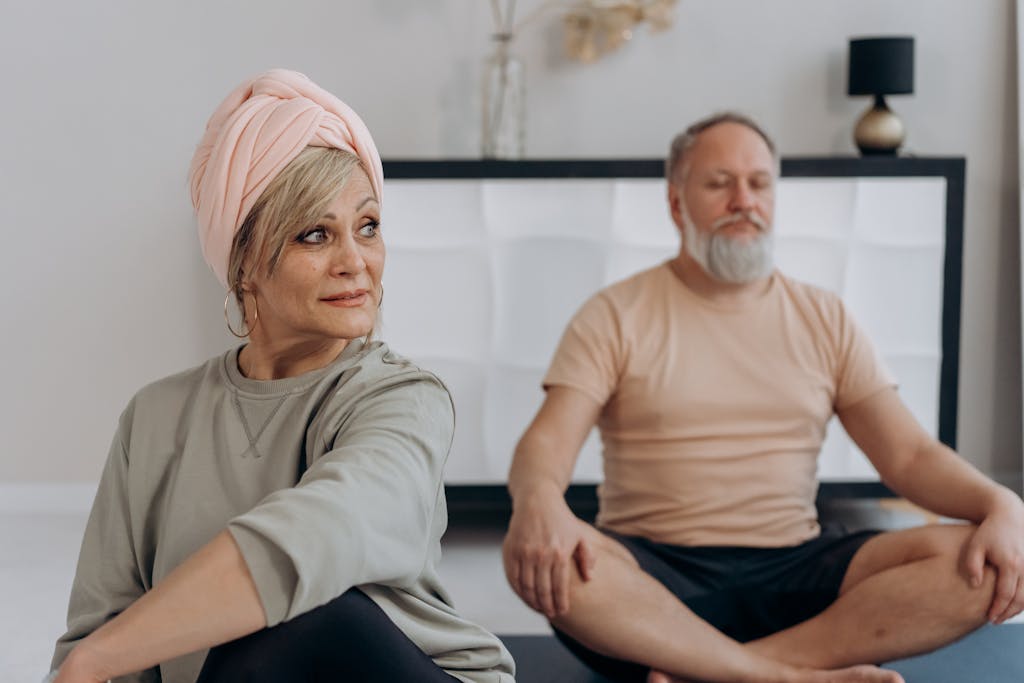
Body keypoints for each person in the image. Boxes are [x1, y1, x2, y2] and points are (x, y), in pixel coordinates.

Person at [502, 111, 1024, 683]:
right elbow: (547, 442)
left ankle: (714, 671)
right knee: (552, 561)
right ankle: (787, 678)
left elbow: (910, 456)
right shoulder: (614, 314)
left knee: (985, 562)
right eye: (718, 183)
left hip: (799, 569)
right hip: (656, 576)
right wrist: (539, 504)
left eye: (759, 183)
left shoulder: (825, 316)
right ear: (677, 204)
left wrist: (1004, 505)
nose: (742, 200)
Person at [48, 69, 515, 683]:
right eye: (315, 235)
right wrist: (97, 657)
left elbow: (326, 530)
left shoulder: (403, 399)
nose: (356, 262)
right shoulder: (155, 417)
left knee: (309, 618)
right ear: (244, 268)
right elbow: (98, 630)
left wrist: (100, 656)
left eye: (368, 226)